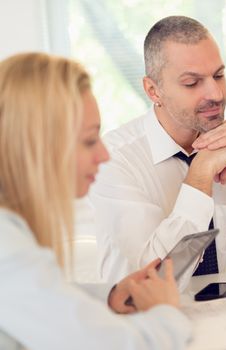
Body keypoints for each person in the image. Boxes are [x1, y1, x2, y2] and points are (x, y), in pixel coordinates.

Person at [0, 53, 190, 349]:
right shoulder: (6, 249)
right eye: (89, 140)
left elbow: (41, 297)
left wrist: (110, 295)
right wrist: (166, 314)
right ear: (38, 147)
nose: (103, 155)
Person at [89, 15, 226, 285]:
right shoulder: (113, 159)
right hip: (140, 322)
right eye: (192, 83)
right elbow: (156, 278)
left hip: (219, 315)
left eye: (219, 75)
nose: (215, 94)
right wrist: (200, 173)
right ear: (153, 90)